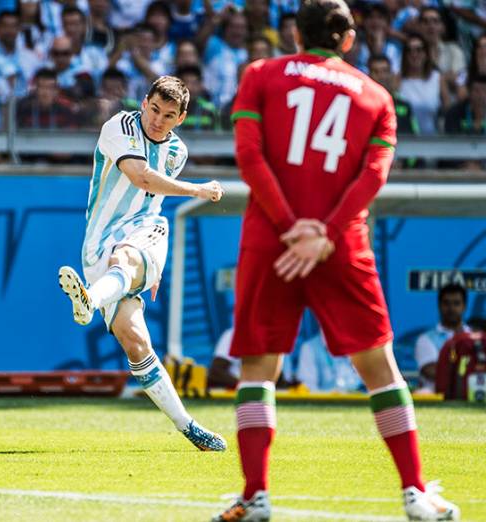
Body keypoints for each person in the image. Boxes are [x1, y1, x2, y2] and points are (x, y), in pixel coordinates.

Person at [214, 0, 460, 519]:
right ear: (348, 40)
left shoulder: (261, 75)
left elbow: (249, 156)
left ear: (294, 37)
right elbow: (373, 176)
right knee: (380, 368)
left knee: (258, 368)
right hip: (341, 244)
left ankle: (255, 494)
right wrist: (323, 232)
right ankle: (415, 492)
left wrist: (290, 227)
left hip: (271, 242)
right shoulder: (376, 95)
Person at [57, 76, 227, 452]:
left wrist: (154, 264)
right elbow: (141, 176)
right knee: (135, 340)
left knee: (126, 257)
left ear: (180, 118)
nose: (158, 120)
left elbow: (151, 201)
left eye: (168, 115)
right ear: (144, 102)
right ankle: (189, 426)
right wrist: (199, 189)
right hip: (97, 243)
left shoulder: (175, 152)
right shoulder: (118, 126)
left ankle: (90, 302)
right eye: (154, 109)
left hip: (146, 232)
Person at [415, 283, 471, 391]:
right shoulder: (425, 339)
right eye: (446, 303)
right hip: (436, 398)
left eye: (456, 303)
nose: (451, 308)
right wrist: (471, 371)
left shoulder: (475, 337)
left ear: (464, 306)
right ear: (439, 306)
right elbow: (431, 371)